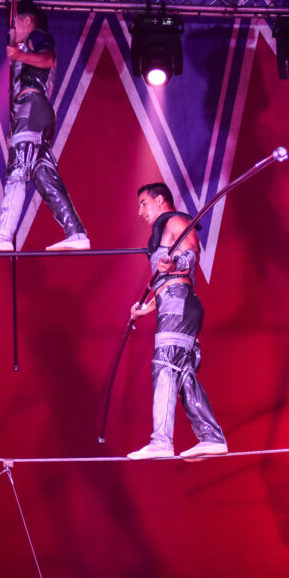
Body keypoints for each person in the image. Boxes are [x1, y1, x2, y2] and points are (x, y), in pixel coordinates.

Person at [0, 0, 89, 252]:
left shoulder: (36, 36)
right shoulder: (27, 44)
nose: (10, 32)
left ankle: (3, 234)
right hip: (35, 112)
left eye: (13, 25)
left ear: (26, 20)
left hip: (32, 107)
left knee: (18, 171)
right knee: (43, 175)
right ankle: (76, 232)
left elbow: (49, 59)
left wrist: (21, 54)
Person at [127, 183, 227, 460]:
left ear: (160, 200)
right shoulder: (164, 229)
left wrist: (174, 264)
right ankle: (211, 436)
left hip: (179, 304)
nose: (140, 211)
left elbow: (190, 254)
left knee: (164, 365)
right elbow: (168, 284)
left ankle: (161, 441)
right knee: (181, 373)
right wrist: (146, 309)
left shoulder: (176, 221)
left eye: (143, 203)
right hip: (175, 304)